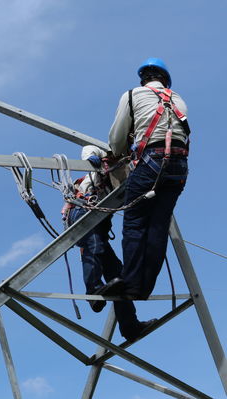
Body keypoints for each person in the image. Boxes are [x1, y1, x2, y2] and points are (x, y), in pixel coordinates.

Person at [105, 57, 189, 302]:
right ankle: (144, 288)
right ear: (165, 79)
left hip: (151, 161)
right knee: (158, 227)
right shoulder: (178, 99)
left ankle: (130, 283)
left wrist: (118, 151)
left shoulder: (132, 95)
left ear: (144, 79)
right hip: (179, 165)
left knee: (134, 223)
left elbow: (118, 138)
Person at [64, 146, 153, 341]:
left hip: (99, 220)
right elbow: (88, 148)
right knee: (93, 245)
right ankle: (93, 289)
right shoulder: (106, 159)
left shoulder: (129, 175)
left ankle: (130, 326)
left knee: (118, 275)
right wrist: (92, 158)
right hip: (83, 210)